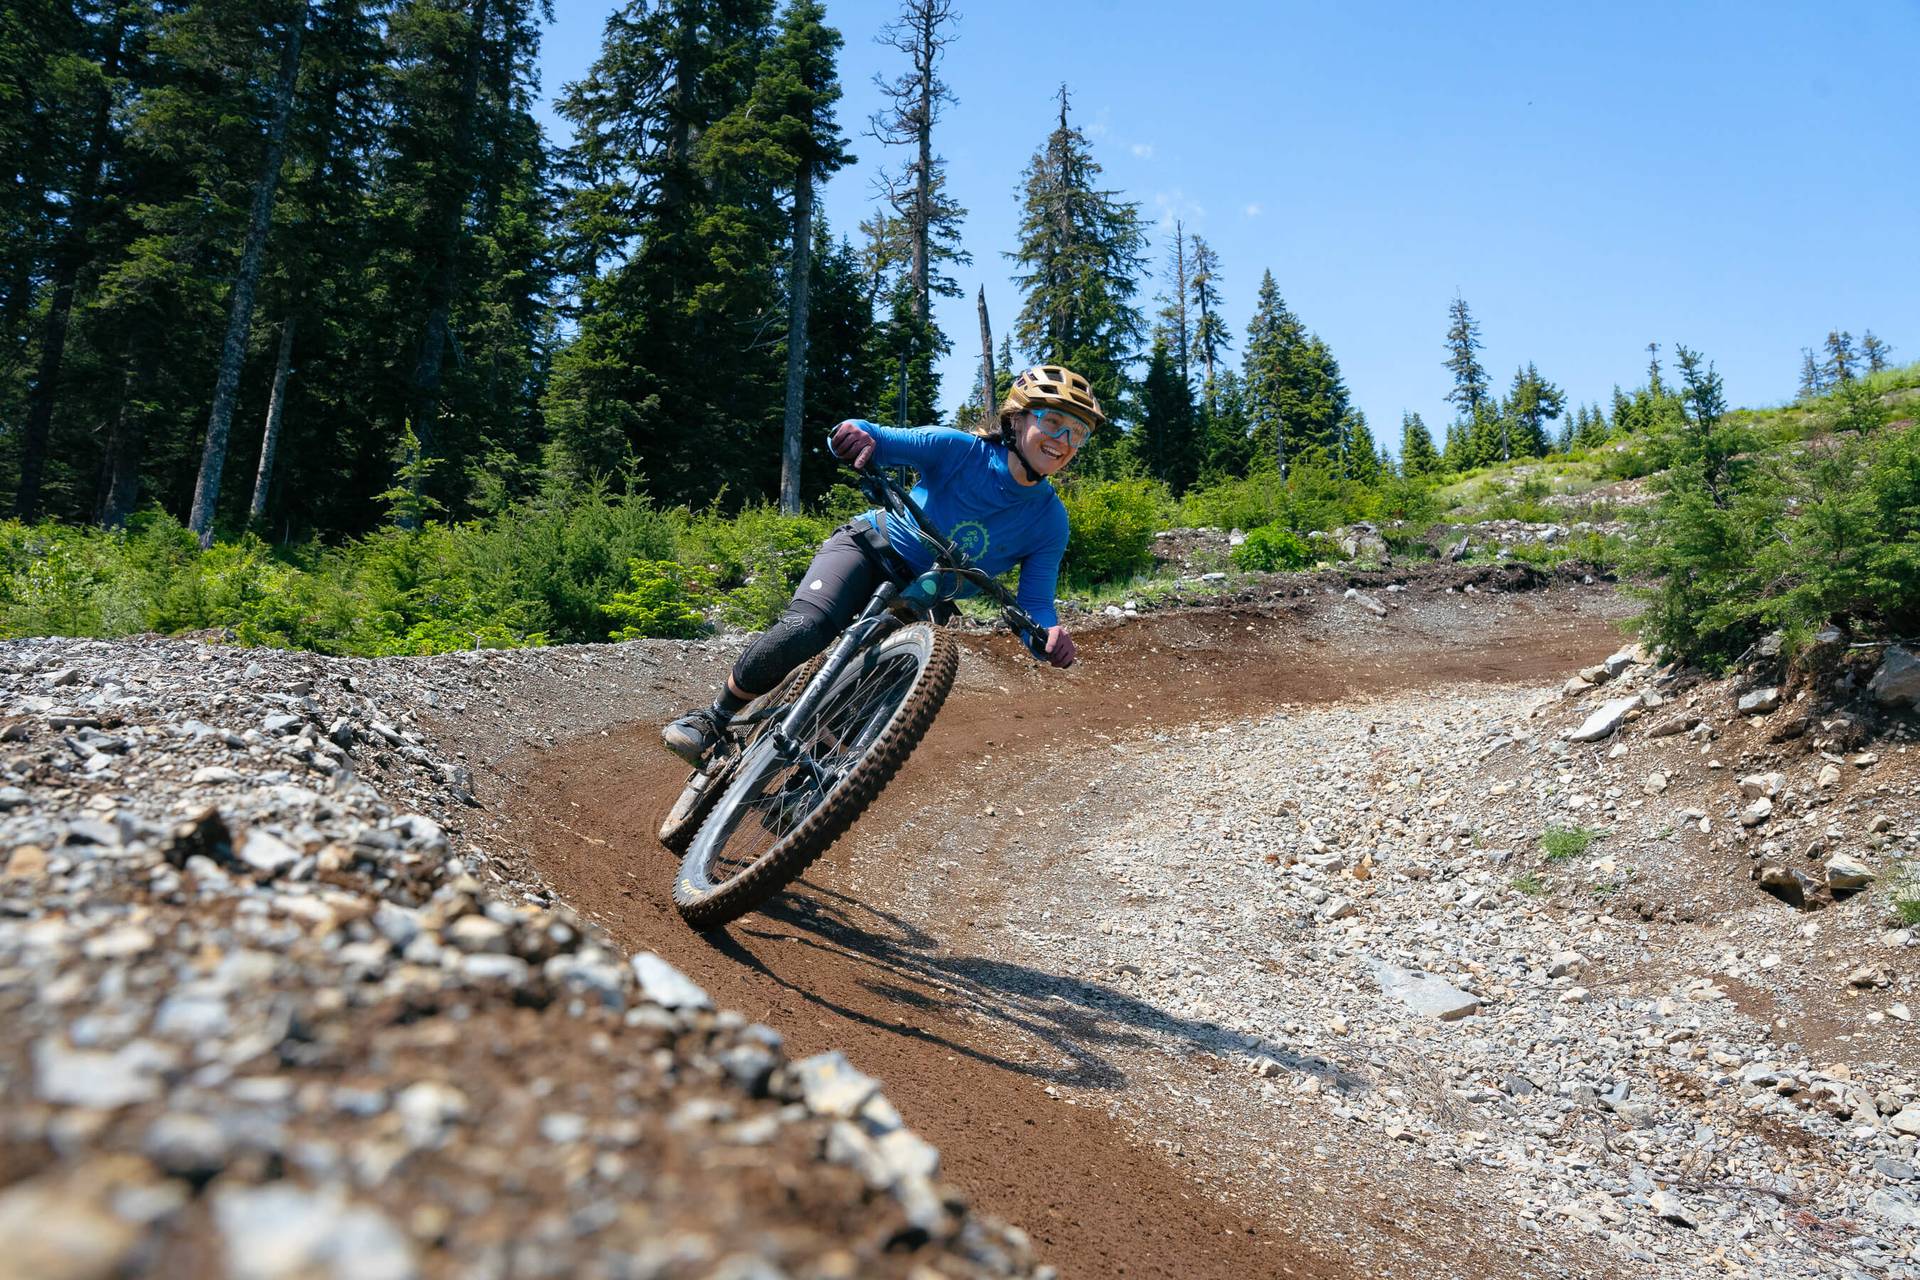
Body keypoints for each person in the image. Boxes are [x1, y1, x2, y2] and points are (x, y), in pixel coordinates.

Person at [661, 364, 1100, 765]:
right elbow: (879, 437)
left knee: (886, 693)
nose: (1061, 443)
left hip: (927, 597)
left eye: (1076, 434)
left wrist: (1047, 634)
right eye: (1052, 423)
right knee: (805, 630)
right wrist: (854, 434)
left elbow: (1035, 603)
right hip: (871, 549)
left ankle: (815, 785)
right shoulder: (960, 451)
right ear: (1018, 419)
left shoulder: (1049, 520)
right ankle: (713, 719)